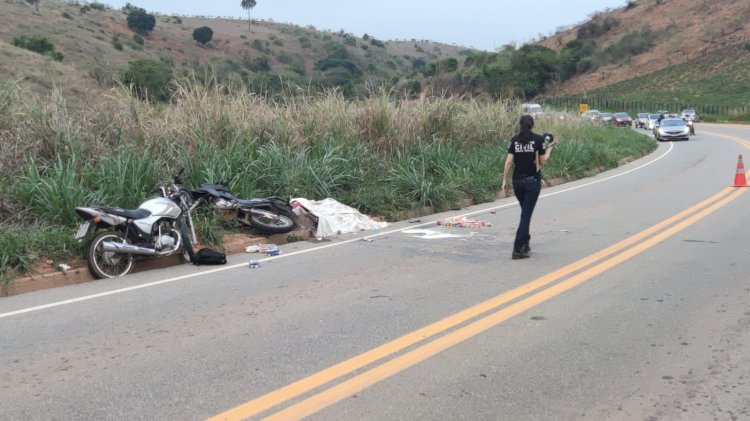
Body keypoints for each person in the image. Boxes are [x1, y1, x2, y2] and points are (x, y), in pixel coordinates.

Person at [501, 115, 555, 260]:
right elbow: (542, 161)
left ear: (520, 125)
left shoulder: (514, 140)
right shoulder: (538, 140)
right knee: (526, 215)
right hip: (532, 183)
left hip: (517, 182)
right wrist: (550, 148)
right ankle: (518, 248)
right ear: (533, 124)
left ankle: (525, 243)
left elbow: (508, 162)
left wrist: (504, 180)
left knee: (525, 212)